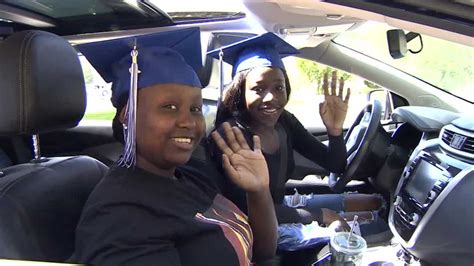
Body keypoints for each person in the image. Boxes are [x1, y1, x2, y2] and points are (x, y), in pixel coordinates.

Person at [69, 28, 278, 266]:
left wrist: (259, 192)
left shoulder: (190, 176)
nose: (188, 122)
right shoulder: (121, 215)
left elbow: (262, 253)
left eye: (195, 109)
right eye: (169, 107)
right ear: (128, 115)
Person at [207, 33, 387, 237]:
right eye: (258, 89)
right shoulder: (232, 136)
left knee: (373, 202)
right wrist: (322, 215)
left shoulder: (284, 121)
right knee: (375, 231)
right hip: (252, 229)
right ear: (240, 92)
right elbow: (247, 209)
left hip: (281, 205)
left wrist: (335, 131)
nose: (271, 98)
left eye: (279, 88)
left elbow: (334, 165)